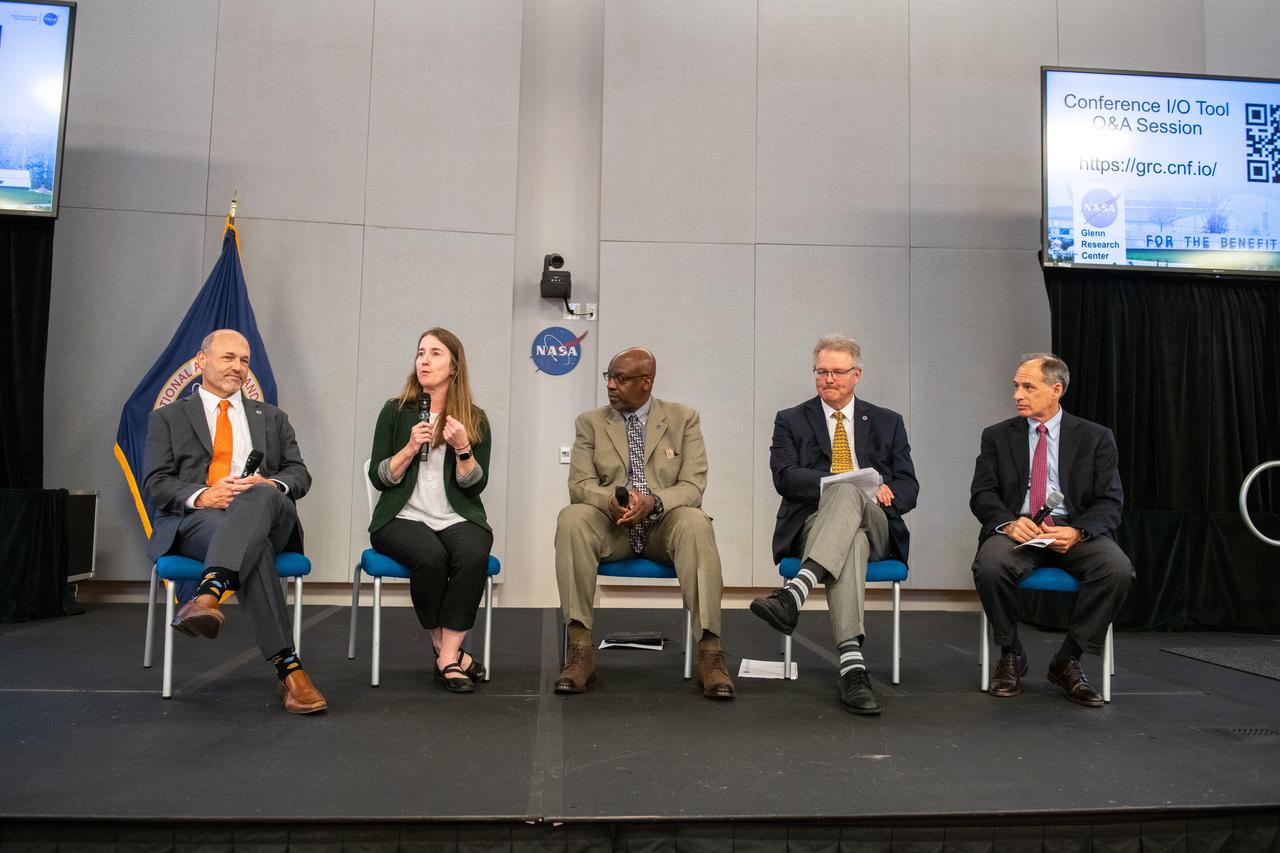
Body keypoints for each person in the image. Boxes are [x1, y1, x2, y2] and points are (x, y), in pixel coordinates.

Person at [143, 329, 325, 714]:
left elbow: (299, 475)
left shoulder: (273, 418)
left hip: (269, 515)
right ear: (200, 362)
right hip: (200, 520)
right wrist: (203, 495)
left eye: (244, 360)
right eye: (228, 358)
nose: (238, 367)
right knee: (252, 548)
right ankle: (290, 672)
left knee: (259, 493)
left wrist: (269, 483)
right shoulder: (167, 419)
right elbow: (156, 483)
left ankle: (208, 594)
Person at [554, 347, 734, 700]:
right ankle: (579, 649)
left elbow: (693, 486)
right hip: (613, 526)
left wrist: (654, 501)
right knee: (571, 517)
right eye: (609, 377)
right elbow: (579, 485)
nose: (612, 386)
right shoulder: (590, 423)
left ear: (646, 382)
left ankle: (710, 652)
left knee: (696, 522)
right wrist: (609, 501)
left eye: (621, 379)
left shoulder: (684, 419)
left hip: (662, 526)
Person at [751, 335, 918, 715]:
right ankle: (852, 665)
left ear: (856, 374)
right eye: (821, 371)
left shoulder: (887, 422)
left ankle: (796, 592)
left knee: (851, 496)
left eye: (838, 372)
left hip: (878, 522)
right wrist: (836, 484)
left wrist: (885, 490)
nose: (829, 378)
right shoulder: (791, 420)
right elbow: (785, 477)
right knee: (850, 533)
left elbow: (910, 487)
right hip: (814, 524)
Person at [969, 353, 1133, 707]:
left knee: (1116, 569)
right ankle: (1011, 653)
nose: (1017, 394)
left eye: (1028, 387)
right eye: (1016, 386)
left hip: (1073, 531)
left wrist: (1078, 532)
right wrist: (1009, 522)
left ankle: (1068, 660)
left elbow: (1110, 501)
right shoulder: (997, 436)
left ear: (1056, 390)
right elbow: (982, 494)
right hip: (1020, 529)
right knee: (991, 565)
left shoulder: (1095, 437)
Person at [367, 328, 493, 693]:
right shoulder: (395, 411)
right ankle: (451, 657)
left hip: (456, 515)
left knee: (473, 553)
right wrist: (408, 449)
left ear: (454, 367)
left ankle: (446, 654)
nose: (424, 360)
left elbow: (475, 484)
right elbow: (381, 477)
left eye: (436, 353)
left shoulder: (475, 418)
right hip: (401, 516)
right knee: (430, 556)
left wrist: (463, 449)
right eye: (421, 352)